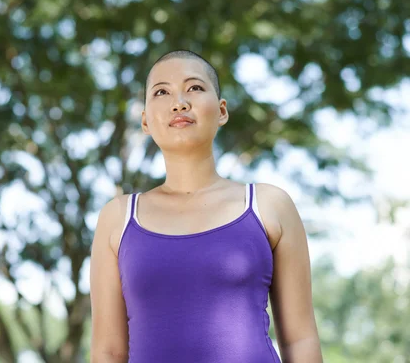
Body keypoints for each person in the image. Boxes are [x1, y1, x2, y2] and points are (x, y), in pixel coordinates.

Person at [89, 50, 322, 363]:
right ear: (145, 120)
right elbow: (108, 351)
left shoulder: (269, 205)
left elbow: (300, 340)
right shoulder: (117, 218)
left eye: (195, 88)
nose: (179, 102)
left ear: (222, 111)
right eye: (161, 92)